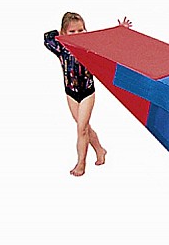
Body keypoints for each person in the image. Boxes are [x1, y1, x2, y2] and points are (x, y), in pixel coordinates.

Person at [44, 12, 132, 176]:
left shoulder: (89, 47)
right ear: (64, 33)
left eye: (81, 30)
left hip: (87, 92)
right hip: (70, 93)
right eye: (72, 31)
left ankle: (81, 163)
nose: (77, 34)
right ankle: (100, 150)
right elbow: (47, 37)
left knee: (81, 129)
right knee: (83, 127)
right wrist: (62, 36)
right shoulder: (61, 48)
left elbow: (108, 42)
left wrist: (120, 30)